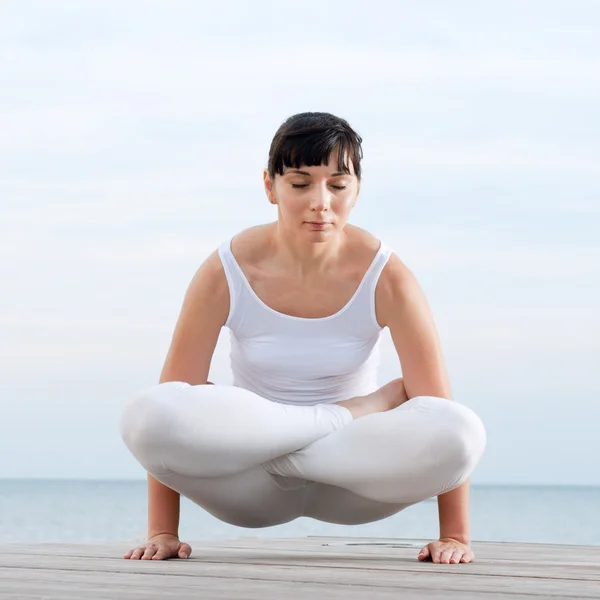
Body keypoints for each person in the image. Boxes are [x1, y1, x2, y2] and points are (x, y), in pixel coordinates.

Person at [119, 111, 487, 565]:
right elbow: (174, 399)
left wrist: (454, 536)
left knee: (462, 431)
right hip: (248, 486)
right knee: (147, 415)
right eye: (300, 184)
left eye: (337, 185)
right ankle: (343, 413)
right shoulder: (227, 269)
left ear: (357, 189)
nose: (321, 202)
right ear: (269, 186)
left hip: (354, 481)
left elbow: (438, 410)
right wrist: (163, 531)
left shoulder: (387, 276)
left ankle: (323, 428)